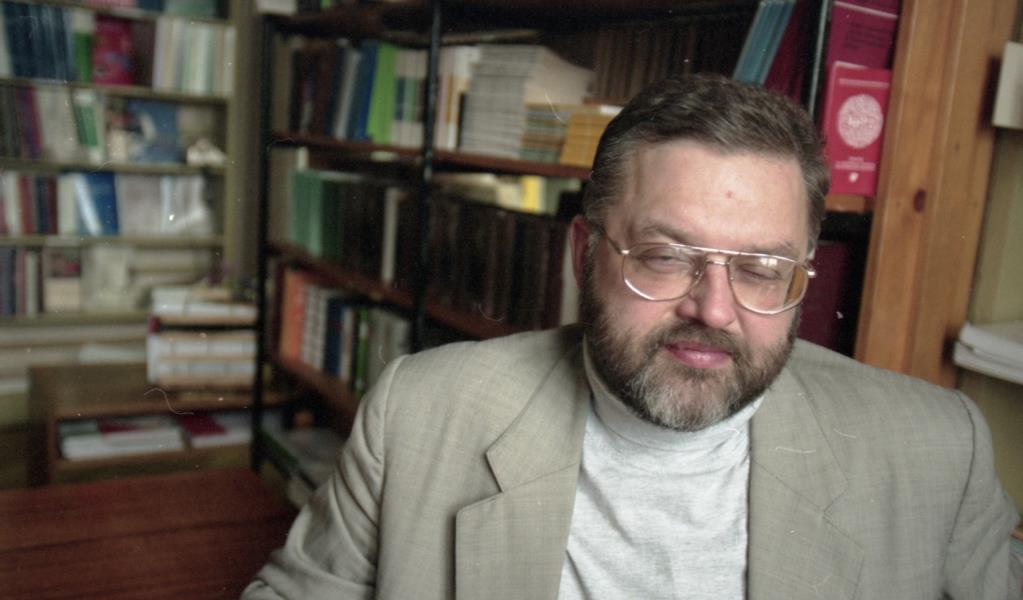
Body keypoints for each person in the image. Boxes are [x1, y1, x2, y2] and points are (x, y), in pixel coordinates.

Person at [244, 74, 1022, 599]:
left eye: (761, 270)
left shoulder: (936, 451)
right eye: (664, 256)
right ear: (584, 254)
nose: (713, 309)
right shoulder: (418, 415)